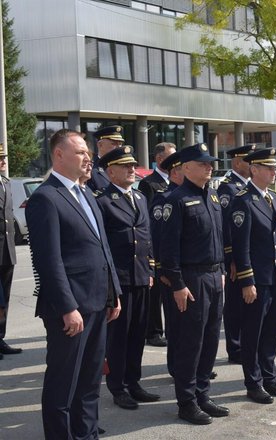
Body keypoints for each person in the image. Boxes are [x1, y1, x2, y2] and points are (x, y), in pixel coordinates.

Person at [26, 129, 122, 439]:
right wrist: (68, 307)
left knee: (90, 382)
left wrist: (114, 293)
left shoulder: (86, 194)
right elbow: (49, 260)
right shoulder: (45, 198)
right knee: (63, 384)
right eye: (80, 151)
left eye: (88, 152)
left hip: (97, 303)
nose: (88, 157)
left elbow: (103, 249)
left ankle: (87, 434)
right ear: (59, 155)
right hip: (70, 309)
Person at [160, 143, 230, 425]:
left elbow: (220, 240)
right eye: (203, 164)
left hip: (213, 276)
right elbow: (168, 248)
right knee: (191, 342)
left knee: (211, 339)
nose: (209, 167)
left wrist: (222, 270)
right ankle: (186, 402)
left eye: (210, 163)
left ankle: (202, 394)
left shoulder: (212, 197)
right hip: (191, 280)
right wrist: (177, 283)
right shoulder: (176, 199)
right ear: (186, 168)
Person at [230, 148, 276, 404]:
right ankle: (254, 383)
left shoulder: (273, 197)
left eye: (274, 168)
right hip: (257, 280)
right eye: (268, 168)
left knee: (271, 333)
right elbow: (241, 245)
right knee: (253, 334)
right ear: (254, 170)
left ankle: (270, 378)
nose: (274, 172)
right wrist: (247, 281)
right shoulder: (243, 200)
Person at [95, 147, 159, 410]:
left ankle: (134, 382)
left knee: (137, 334)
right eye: (125, 166)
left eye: (133, 166)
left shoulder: (141, 198)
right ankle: (118, 387)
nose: (132, 170)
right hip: (119, 278)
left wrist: (151, 269)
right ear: (110, 171)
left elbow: (147, 237)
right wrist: (110, 283)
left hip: (142, 276)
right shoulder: (102, 201)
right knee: (118, 337)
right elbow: (103, 246)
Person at [218, 144, 256, 364]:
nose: (252, 165)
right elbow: (227, 226)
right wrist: (231, 258)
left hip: (250, 254)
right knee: (234, 303)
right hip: (235, 256)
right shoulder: (228, 188)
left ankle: (243, 343)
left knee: (245, 303)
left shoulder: (247, 187)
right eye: (248, 161)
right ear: (237, 162)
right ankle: (235, 347)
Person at [149, 151, 184, 375]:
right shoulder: (164, 198)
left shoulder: (199, 195)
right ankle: (178, 367)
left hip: (195, 269)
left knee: (193, 325)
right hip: (173, 271)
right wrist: (161, 268)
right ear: (174, 172)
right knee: (177, 325)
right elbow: (158, 236)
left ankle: (195, 365)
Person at [141, 142, 176, 347]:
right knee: (155, 295)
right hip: (155, 245)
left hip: (168, 244)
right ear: (160, 159)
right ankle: (153, 331)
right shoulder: (150, 183)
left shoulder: (174, 182)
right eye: (171, 157)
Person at [0, 152, 19, 357]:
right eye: (0, 159)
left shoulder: (6, 183)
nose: (4, 161)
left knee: (4, 298)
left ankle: (1, 338)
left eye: (5, 158)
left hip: (7, 251)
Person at [87, 125, 124, 195]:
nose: (118, 147)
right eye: (114, 143)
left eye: (120, 144)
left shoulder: (123, 167)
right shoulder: (90, 168)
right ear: (100, 145)